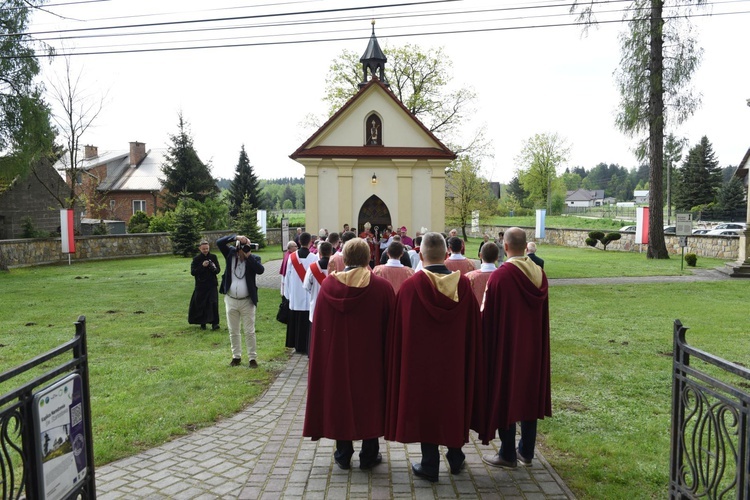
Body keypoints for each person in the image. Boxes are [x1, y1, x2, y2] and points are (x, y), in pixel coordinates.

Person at [385, 232, 484, 483]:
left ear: (420, 255)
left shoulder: (410, 288)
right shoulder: (462, 286)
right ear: (447, 254)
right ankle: (455, 457)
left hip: (420, 364)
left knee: (426, 405)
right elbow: (474, 327)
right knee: (452, 402)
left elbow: (399, 330)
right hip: (454, 362)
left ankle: (430, 463)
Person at [303, 238, 395, 470]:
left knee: (340, 399)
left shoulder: (328, 288)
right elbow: (391, 328)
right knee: (370, 400)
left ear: (344, 259)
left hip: (336, 359)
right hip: (370, 358)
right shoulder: (382, 288)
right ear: (368, 259)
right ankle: (369, 453)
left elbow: (320, 330)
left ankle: (343, 454)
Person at [480, 227, 551, 469]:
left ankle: (508, 453)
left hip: (507, 347)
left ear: (506, 247)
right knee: (530, 394)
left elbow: (486, 316)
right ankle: (527, 451)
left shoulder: (501, 277)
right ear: (526, 246)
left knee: (505, 395)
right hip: (534, 347)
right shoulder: (540, 275)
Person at [216, 234, 265, 368]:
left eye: (247, 246)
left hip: (247, 301)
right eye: (243, 246)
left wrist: (249, 256)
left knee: (249, 331)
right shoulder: (230, 255)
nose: (244, 249)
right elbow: (219, 242)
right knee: (233, 330)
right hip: (231, 299)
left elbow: (260, 270)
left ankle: (252, 358)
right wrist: (236, 237)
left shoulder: (254, 258)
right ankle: (236, 356)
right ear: (237, 247)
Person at [283, 232, 318, 354]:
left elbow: (287, 276)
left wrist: (287, 295)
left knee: (296, 322)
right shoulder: (314, 258)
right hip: (309, 295)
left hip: (295, 295)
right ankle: (307, 345)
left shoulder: (292, 257)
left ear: (299, 242)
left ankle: (297, 345)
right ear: (310, 242)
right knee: (306, 322)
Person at [188, 240, 221, 330]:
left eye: (207, 248)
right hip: (201, 285)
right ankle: (202, 323)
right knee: (201, 304)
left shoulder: (213, 257)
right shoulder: (196, 259)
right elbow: (193, 272)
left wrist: (213, 267)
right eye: (203, 249)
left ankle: (215, 323)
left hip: (212, 284)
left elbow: (218, 270)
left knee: (213, 303)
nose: (205, 250)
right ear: (200, 249)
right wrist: (202, 266)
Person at [303, 241, 332, 325]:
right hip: (332, 306)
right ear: (331, 252)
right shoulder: (336, 267)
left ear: (319, 252)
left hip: (316, 305)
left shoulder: (313, 268)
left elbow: (306, 286)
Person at [466, 241, 500, 305]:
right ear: (497, 258)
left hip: (475, 313)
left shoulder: (469, 277)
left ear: (480, 255)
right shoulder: (503, 277)